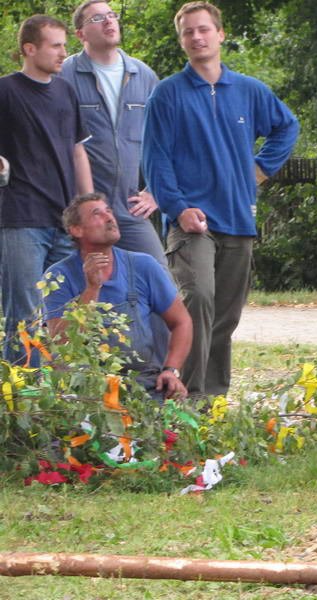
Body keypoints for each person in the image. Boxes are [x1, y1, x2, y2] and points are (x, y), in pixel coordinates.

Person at [143, 1, 298, 398]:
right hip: (191, 222)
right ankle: (185, 401)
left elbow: (286, 126)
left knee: (225, 318)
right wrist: (179, 209)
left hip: (239, 219)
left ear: (220, 34)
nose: (197, 37)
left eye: (203, 29)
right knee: (197, 299)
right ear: (182, 41)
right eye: (188, 32)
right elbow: (155, 161)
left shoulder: (248, 90)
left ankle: (212, 404)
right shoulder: (167, 94)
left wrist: (260, 170)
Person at [0, 15, 93, 365]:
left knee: (65, 312)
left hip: (64, 220)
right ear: (29, 48)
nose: (63, 53)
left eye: (64, 45)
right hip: (20, 219)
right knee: (23, 315)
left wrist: (89, 204)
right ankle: (21, 403)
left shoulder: (66, 90)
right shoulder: (5, 90)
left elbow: (77, 149)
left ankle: (58, 400)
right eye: (55, 45)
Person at [44, 193, 192, 400]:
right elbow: (63, 343)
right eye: (97, 214)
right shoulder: (58, 276)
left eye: (109, 211)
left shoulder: (143, 265)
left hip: (142, 383)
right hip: (84, 389)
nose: (109, 218)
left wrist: (171, 370)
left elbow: (182, 322)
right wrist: (91, 289)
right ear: (76, 230)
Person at [61, 0, 166, 266]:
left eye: (111, 15)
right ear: (80, 34)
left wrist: (154, 191)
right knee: (81, 288)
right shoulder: (64, 75)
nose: (108, 21)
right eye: (97, 19)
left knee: (160, 281)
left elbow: (164, 140)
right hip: (75, 209)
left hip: (128, 208)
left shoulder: (143, 75)